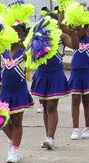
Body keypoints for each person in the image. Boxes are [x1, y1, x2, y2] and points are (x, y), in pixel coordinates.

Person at [29, 14, 69, 149]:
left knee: (52, 106)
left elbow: (74, 45)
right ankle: (47, 136)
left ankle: (51, 137)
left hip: (55, 74)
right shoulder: (37, 38)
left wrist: (69, 29)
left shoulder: (61, 37)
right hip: (41, 74)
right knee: (45, 107)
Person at [0, 24, 34, 163]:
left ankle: (15, 150)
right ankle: (12, 140)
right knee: (1, 119)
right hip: (5, 91)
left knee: (17, 121)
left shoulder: (23, 53)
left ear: (20, 37)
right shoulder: (2, 52)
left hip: (19, 91)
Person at [61, 20, 89, 140]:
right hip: (75, 73)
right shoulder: (73, 40)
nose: (76, 32)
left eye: (79, 30)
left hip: (87, 73)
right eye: (75, 30)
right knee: (75, 100)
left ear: (85, 29)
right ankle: (75, 129)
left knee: (86, 100)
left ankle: (87, 128)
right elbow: (62, 25)